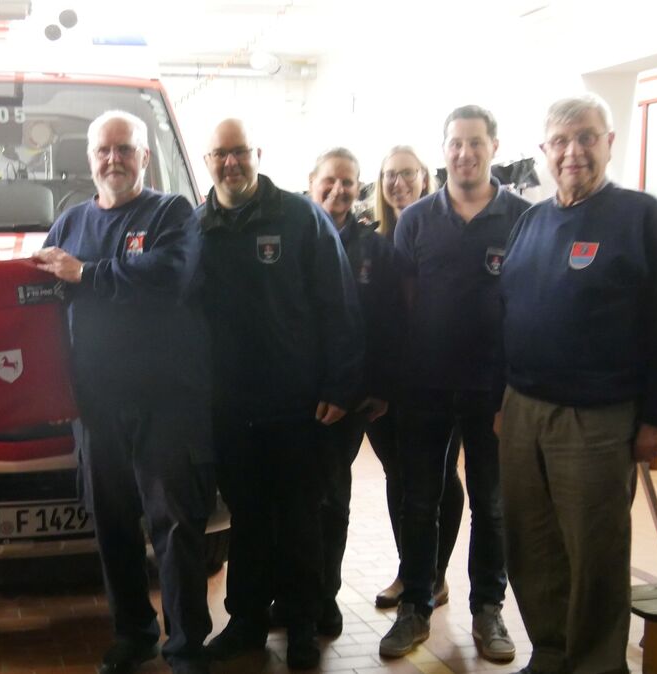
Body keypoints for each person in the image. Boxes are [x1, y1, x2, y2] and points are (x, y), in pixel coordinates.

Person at [499, 94, 657, 674]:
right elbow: (506, 311)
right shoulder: (532, 220)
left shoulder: (641, 217)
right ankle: (552, 651)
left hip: (597, 418)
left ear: (610, 142)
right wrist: (501, 402)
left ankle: (596, 663)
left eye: (586, 138)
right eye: (560, 141)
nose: (573, 152)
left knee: (595, 552)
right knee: (531, 545)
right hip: (524, 409)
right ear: (543, 152)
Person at [32, 110, 215, 674]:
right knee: (112, 525)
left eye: (124, 150)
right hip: (96, 405)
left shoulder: (171, 212)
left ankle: (185, 645)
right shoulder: (69, 223)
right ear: (89, 159)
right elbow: (35, 288)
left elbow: (169, 277)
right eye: (103, 151)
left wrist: (86, 275)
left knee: (175, 526)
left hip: (165, 402)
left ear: (145, 157)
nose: (113, 160)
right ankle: (133, 632)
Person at [197, 119, 362, 670]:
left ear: (256, 154)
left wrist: (341, 384)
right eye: (220, 154)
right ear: (207, 159)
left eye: (239, 152)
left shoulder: (300, 216)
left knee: (299, 518)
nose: (230, 163)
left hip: (298, 405)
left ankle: (302, 625)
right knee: (247, 518)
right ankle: (245, 621)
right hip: (231, 408)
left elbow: (338, 303)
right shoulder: (198, 227)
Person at [379, 105, 527, 662]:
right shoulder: (416, 219)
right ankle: (416, 606)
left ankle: (488, 611)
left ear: (493, 146)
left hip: (495, 390)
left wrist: (516, 386)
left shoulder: (522, 217)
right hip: (426, 388)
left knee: (491, 503)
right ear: (443, 152)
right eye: (455, 144)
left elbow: (529, 304)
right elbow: (405, 304)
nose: (464, 153)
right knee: (420, 499)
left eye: (475, 142)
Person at [304, 147, 404, 635]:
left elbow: (389, 324)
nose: (339, 190)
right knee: (291, 499)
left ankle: (325, 595)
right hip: (293, 393)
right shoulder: (292, 236)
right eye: (330, 180)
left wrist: (380, 386)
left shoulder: (374, 248)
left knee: (331, 497)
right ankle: (291, 593)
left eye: (349, 182)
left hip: (349, 400)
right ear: (312, 181)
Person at [367, 146, 463, 609]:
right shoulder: (372, 240)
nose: (398, 182)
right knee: (398, 476)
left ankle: (435, 576)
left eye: (407, 173)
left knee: (441, 476)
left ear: (426, 177)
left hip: (436, 378)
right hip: (384, 383)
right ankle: (411, 571)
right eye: (389, 175)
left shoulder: (441, 231)